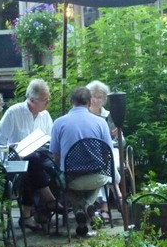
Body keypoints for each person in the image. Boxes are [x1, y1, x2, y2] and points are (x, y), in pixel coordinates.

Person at [0, 78, 62, 232]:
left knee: (39, 164)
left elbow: (50, 140)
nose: (48, 103)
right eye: (44, 99)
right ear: (32, 100)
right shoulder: (14, 112)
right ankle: (48, 201)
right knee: (30, 162)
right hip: (15, 160)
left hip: (39, 159)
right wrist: (14, 147)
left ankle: (30, 215)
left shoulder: (45, 115)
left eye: (48, 99)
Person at [49, 86, 115, 237]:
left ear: (71, 101)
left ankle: (81, 211)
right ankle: (88, 206)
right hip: (96, 177)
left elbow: (56, 155)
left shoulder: (59, 123)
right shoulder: (101, 123)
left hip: (72, 178)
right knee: (98, 177)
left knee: (64, 180)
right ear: (90, 102)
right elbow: (108, 152)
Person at [86, 80, 124, 224]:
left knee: (106, 161)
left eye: (99, 97)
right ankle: (116, 196)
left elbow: (122, 143)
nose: (95, 100)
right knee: (103, 164)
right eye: (92, 96)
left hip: (111, 151)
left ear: (105, 100)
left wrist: (119, 135)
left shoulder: (109, 116)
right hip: (91, 154)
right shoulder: (84, 115)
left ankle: (104, 206)